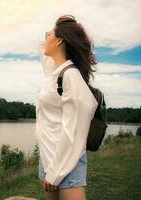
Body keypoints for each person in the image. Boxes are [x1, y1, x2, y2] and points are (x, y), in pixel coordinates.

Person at [35, 14, 98, 200]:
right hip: (48, 159)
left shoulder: (70, 76)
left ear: (60, 40)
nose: (45, 38)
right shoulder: (53, 73)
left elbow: (75, 131)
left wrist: (55, 173)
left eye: (49, 34)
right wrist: (62, 25)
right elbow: (44, 49)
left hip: (66, 164)